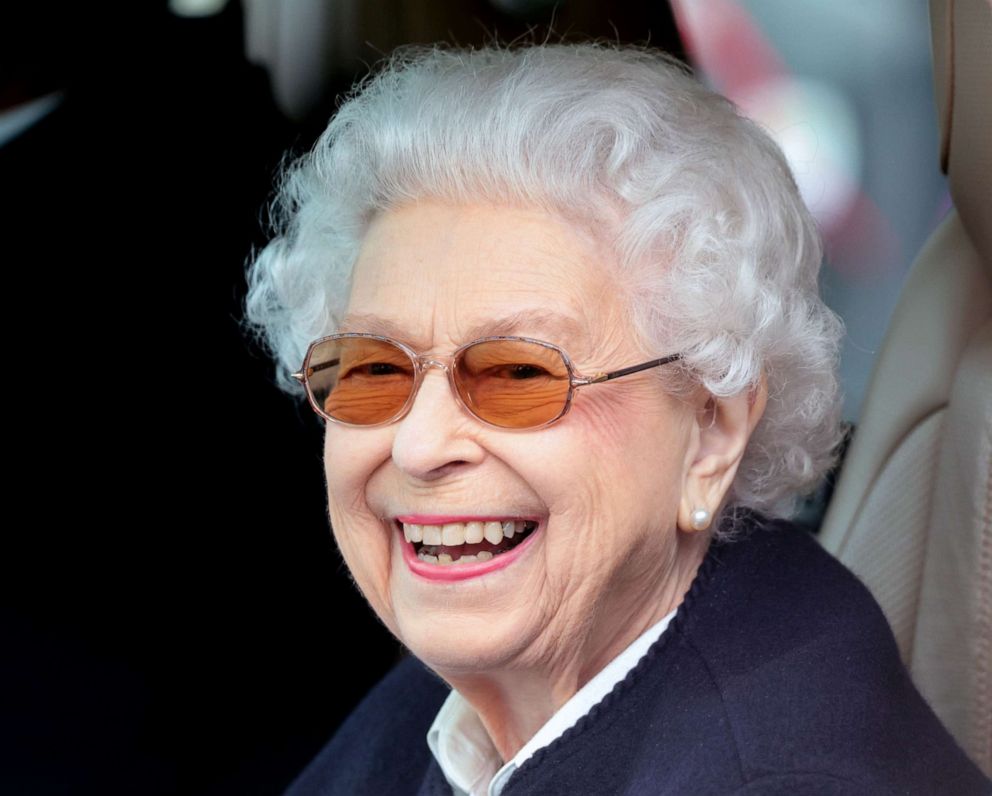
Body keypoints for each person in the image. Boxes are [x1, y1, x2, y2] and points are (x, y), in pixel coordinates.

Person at [239, 42, 991, 795]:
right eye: (376, 370)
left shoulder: (790, 776)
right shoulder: (459, 694)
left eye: (518, 373)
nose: (419, 445)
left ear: (710, 433)